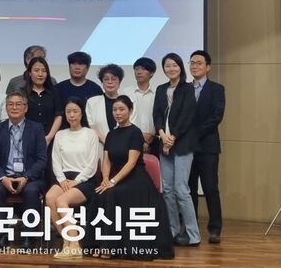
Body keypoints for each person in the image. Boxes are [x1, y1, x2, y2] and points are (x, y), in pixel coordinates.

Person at [81, 95, 174, 260]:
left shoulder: (135, 132)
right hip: (116, 176)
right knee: (99, 193)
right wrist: (105, 178)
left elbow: (131, 163)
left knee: (112, 194)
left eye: (122, 109)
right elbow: (107, 160)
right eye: (115, 110)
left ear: (130, 111)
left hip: (136, 178)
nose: (118, 113)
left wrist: (112, 182)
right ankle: (98, 244)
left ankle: (111, 247)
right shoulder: (111, 134)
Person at [0, 91, 47, 249]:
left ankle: (29, 237)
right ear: (6, 108)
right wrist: (3, 178)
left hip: (29, 177)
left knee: (31, 191)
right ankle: (1, 236)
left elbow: (42, 159)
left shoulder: (36, 128)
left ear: (26, 108)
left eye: (18, 104)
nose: (14, 107)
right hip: (5, 176)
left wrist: (26, 177)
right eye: (10, 104)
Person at [153, 52, 200, 246]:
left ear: (180, 67)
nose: (171, 69)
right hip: (164, 143)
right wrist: (162, 134)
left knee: (181, 189)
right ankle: (172, 231)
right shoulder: (160, 89)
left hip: (182, 145)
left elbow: (188, 116)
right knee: (168, 190)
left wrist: (172, 137)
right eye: (167, 66)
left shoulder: (188, 88)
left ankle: (193, 234)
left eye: (174, 65)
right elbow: (156, 114)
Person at [46, 97, 101, 260]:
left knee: (61, 201)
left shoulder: (90, 134)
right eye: (68, 111)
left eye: (75, 111)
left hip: (84, 179)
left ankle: (74, 245)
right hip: (64, 178)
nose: (71, 115)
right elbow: (56, 161)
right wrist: (62, 180)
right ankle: (67, 242)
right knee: (50, 198)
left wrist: (76, 181)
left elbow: (92, 164)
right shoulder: (60, 135)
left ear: (81, 113)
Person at [188, 49, 225, 244]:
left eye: (199, 63)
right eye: (192, 63)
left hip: (208, 146)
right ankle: (191, 227)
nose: (194, 66)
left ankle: (215, 229)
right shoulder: (184, 89)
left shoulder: (217, 89)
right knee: (189, 189)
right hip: (186, 148)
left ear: (208, 67)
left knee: (210, 188)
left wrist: (194, 133)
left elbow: (216, 116)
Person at [86, 64, 136, 143]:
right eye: (106, 79)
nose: (110, 82)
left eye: (113, 79)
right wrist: (107, 142)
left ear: (119, 82)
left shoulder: (129, 101)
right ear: (102, 82)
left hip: (124, 145)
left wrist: (116, 144)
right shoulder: (92, 102)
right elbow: (91, 126)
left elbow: (131, 125)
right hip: (100, 145)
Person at [122, 57, 157, 153]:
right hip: (130, 139)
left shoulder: (157, 93)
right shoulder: (126, 92)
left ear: (152, 73)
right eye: (137, 69)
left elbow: (160, 116)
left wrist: (151, 136)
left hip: (153, 140)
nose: (139, 72)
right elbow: (123, 117)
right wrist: (139, 136)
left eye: (143, 69)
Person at [24, 56, 62, 144]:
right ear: (30, 73)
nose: (40, 74)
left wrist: (49, 137)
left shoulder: (54, 92)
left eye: (44, 71)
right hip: (27, 139)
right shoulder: (23, 93)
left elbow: (58, 116)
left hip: (51, 139)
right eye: (36, 70)